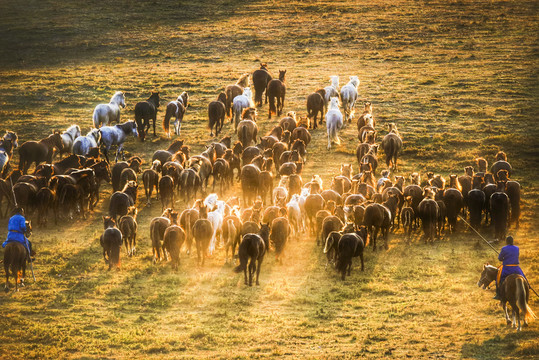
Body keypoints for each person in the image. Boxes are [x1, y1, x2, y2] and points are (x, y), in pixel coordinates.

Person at [494, 235, 526, 300]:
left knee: (498, 279)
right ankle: (528, 287)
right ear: (512, 241)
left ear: (506, 241)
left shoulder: (504, 248)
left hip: (506, 269)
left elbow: (500, 258)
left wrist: (504, 258)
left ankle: (498, 294)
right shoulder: (517, 248)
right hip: (516, 268)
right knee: (524, 278)